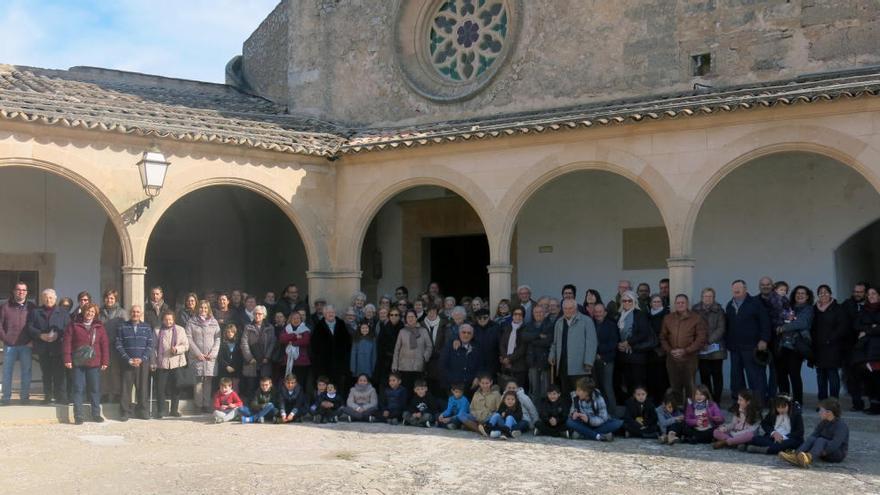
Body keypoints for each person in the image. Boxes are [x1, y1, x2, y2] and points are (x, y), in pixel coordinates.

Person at [62, 303, 109, 424]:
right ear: (83, 311)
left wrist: (105, 360)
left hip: (94, 363)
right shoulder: (73, 325)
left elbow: (104, 344)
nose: (90, 313)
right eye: (88, 311)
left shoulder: (99, 326)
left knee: (94, 389)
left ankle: (96, 414)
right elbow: (67, 343)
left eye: (92, 312)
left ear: (95, 313)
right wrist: (67, 359)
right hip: (78, 362)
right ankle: (78, 416)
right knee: (78, 389)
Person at [725, 280, 771, 403]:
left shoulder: (756, 303)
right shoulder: (729, 305)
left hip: (752, 347)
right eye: (734, 288)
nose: (736, 290)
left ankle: (758, 402)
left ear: (745, 289)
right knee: (736, 377)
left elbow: (765, 323)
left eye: (739, 287)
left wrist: (764, 339)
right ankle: (738, 402)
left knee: (755, 377)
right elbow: (728, 325)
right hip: (735, 348)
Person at [660, 294, 707, 405]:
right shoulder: (668, 318)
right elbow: (663, 337)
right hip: (672, 358)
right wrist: (670, 350)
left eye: (683, 302)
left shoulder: (696, 318)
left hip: (689, 358)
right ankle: (678, 411)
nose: (680, 304)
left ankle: (690, 411)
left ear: (687, 304)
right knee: (675, 387)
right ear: (675, 304)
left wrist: (686, 350)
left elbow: (701, 338)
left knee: (690, 387)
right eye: (678, 303)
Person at [27, 288, 70, 405]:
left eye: (51, 297)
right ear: (42, 299)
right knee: (46, 373)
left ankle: (61, 397)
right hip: (43, 347)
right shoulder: (36, 312)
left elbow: (68, 328)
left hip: (58, 347)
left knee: (60, 374)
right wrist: (40, 335)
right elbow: (30, 327)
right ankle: (47, 397)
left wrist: (58, 334)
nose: (48, 299)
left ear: (55, 298)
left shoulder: (63, 312)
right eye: (46, 297)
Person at [773, 285, 814, 406]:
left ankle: (797, 402)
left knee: (794, 374)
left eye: (803, 293)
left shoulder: (808, 309)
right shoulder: (788, 307)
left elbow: (801, 323)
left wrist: (783, 327)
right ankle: (784, 401)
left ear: (807, 297)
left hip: (796, 346)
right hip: (783, 345)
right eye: (797, 293)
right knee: (781, 375)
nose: (800, 295)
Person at [548, 299, 597, 398]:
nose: (568, 310)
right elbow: (555, 342)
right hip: (563, 365)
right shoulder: (559, 322)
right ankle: (568, 413)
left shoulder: (586, 321)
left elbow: (592, 343)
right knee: (565, 393)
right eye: (565, 308)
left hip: (580, 366)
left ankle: (580, 413)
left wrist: (589, 361)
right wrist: (552, 354)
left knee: (581, 394)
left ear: (576, 308)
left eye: (570, 308)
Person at [780, 398, 849, 468]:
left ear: (829, 412)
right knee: (812, 438)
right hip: (819, 451)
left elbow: (835, 444)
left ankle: (808, 459)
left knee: (821, 440)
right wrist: (811, 447)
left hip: (835, 454)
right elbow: (814, 434)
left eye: (821, 411)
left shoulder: (841, 426)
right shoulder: (824, 422)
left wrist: (824, 451)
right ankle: (795, 456)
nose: (819, 412)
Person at [116, 305, 154, 421]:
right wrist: (128, 359)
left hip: (143, 362)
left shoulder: (147, 327)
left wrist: (142, 358)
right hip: (127, 362)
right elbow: (118, 344)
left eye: (138, 312)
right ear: (129, 313)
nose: (135, 314)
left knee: (142, 387)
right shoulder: (123, 326)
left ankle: (142, 411)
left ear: (141, 313)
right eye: (133, 312)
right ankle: (125, 412)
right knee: (126, 388)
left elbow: (150, 345)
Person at [614, 291, 653, 400]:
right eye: (624, 300)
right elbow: (615, 333)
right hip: (624, 356)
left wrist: (628, 342)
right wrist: (619, 344)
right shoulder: (619, 315)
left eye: (629, 300)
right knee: (628, 384)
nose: (627, 302)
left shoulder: (639, 314)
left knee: (639, 384)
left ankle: (642, 409)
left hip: (637, 356)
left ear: (634, 301)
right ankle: (632, 409)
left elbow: (644, 333)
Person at [1, 281, 35, 405]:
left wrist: (32, 340)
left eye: (24, 290)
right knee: (7, 372)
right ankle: (5, 398)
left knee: (26, 372)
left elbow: (36, 325)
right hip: (10, 345)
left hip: (26, 345)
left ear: (26, 292)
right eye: (19, 289)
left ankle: (25, 397)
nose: (21, 292)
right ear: (14, 291)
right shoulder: (5, 307)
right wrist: (5, 339)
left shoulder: (31, 307)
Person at [812, 285, 848, 401]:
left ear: (830, 293)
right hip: (818, 348)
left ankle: (833, 402)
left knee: (832, 375)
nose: (823, 294)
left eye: (826, 292)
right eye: (820, 292)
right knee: (820, 376)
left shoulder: (838, 308)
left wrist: (830, 339)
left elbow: (842, 327)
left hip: (833, 347)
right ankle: (822, 402)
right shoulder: (814, 309)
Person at [151, 310, 189, 419]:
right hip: (162, 363)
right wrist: (153, 362)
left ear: (174, 320)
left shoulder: (180, 330)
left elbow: (186, 345)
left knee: (176, 387)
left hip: (176, 362)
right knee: (160, 388)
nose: (168, 322)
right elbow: (153, 348)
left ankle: (174, 410)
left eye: (170, 320)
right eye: (166, 320)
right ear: (163, 320)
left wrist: (177, 349)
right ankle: (161, 410)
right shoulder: (157, 330)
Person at [186, 300, 221, 413]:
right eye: (201, 308)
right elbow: (189, 338)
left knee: (208, 380)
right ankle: (198, 405)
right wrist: (198, 353)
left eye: (206, 308)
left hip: (210, 357)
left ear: (209, 309)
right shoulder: (191, 322)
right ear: (197, 309)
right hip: (197, 357)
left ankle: (206, 405)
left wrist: (213, 353)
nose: (203, 310)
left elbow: (218, 339)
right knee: (198, 381)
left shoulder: (214, 322)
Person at [693, 288, 726, 404]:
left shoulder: (719, 310)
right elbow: (693, 328)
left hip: (716, 348)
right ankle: (707, 400)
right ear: (702, 297)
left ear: (714, 297)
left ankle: (717, 401)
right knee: (704, 375)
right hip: (701, 349)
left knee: (717, 375)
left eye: (710, 296)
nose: (708, 298)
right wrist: (701, 342)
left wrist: (709, 341)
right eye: (706, 296)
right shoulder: (695, 310)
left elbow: (721, 328)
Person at [312, 304, 353, 399]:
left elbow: (347, 343)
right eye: (328, 312)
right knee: (325, 383)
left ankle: (338, 403)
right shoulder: (319, 326)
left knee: (339, 383)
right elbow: (314, 345)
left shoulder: (341, 324)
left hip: (340, 362)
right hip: (324, 363)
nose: (331, 314)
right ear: (324, 314)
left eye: (332, 312)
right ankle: (323, 403)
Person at [565, 377, 622, 442]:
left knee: (617, 423)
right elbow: (571, 412)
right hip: (583, 424)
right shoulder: (576, 397)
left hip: (597, 425)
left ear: (586, 392)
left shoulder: (598, 399)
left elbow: (603, 418)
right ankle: (598, 436)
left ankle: (583, 434)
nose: (577, 392)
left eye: (579, 390)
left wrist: (589, 420)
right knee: (569, 422)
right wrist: (573, 414)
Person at [852, 287, 880, 414]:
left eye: (874, 293)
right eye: (869, 294)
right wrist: (873, 326)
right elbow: (856, 325)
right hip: (866, 350)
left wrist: (867, 330)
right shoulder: (863, 309)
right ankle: (873, 404)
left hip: (878, 350)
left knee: (878, 378)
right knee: (869, 378)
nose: (871, 296)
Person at [841, 282, 868, 411]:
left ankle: (874, 402)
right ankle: (857, 403)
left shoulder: (871, 305)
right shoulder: (847, 304)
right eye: (855, 291)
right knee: (851, 376)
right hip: (849, 346)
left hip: (867, 346)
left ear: (865, 293)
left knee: (870, 374)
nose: (857, 294)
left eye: (860, 292)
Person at [240, 305, 275, 402]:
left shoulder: (270, 327)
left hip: (265, 361)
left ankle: (264, 408)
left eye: (260, 314)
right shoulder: (248, 327)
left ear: (264, 315)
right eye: (255, 313)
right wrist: (250, 358)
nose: (257, 316)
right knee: (251, 386)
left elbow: (272, 343)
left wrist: (267, 357)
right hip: (252, 362)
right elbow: (244, 343)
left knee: (265, 386)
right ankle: (250, 408)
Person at [392, 309, 432, 391]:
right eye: (408, 317)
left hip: (418, 366)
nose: (410, 319)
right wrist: (395, 364)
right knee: (406, 390)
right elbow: (397, 349)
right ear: (405, 319)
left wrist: (425, 357)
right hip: (404, 367)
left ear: (416, 318)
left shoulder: (423, 331)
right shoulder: (402, 331)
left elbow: (429, 346)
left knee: (418, 390)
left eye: (412, 317)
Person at [99, 289, 127, 402]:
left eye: (112, 298)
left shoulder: (122, 312)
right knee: (104, 369)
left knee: (115, 370)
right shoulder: (100, 312)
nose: (109, 300)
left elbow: (125, 329)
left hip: (116, 345)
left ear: (115, 299)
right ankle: (104, 393)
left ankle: (116, 393)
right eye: (107, 298)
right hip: (102, 345)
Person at [522, 304, 554, 400]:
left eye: (540, 312)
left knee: (545, 389)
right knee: (534, 389)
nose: (538, 314)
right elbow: (524, 337)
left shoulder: (550, 325)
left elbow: (548, 341)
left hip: (545, 361)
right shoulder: (528, 325)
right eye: (536, 312)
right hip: (532, 361)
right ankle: (534, 412)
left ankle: (544, 412)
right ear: (533, 313)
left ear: (545, 313)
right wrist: (539, 335)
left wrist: (532, 339)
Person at [591, 303, 619, 410]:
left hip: (607, 360)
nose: (598, 314)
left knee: (607, 387)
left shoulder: (611, 325)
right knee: (597, 387)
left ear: (605, 312)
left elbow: (613, 344)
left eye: (600, 312)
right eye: (596, 312)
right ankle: (600, 411)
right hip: (593, 361)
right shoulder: (591, 324)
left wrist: (599, 352)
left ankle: (613, 412)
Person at [441, 323, 483, 392]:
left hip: (471, 387)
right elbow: (442, 365)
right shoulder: (450, 346)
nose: (466, 335)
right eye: (463, 332)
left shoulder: (477, 347)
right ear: (459, 334)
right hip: (453, 387)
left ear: (472, 336)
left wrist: (478, 377)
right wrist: (453, 382)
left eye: (469, 333)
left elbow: (481, 365)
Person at [278, 311, 312, 395]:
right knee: (288, 383)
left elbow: (306, 340)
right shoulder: (286, 328)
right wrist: (295, 336)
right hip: (288, 361)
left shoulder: (305, 329)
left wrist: (292, 343)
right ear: (290, 319)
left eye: (298, 318)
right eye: (294, 318)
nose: (296, 320)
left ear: (301, 319)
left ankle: (300, 402)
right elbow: (282, 338)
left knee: (300, 383)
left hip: (302, 362)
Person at [645, 294, 670, 404]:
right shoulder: (646, 316)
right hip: (648, 352)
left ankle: (662, 402)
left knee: (661, 379)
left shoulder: (666, 315)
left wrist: (661, 347)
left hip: (661, 352)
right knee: (650, 378)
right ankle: (652, 402)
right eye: (654, 302)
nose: (656, 304)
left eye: (658, 301)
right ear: (650, 303)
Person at [423, 304, 449, 397]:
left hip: (439, 358)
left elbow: (447, 341)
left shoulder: (444, 323)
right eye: (429, 311)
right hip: (426, 359)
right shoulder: (422, 324)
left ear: (437, 312)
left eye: (433, 311)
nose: (431, 313)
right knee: (429, 382)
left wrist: (440, 353)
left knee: (439, 382)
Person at [498, 307, 527, 388]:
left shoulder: (526, 329)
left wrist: (509, 359)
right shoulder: (507, 328)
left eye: (520, 314)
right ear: (512, 316)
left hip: (519, 366)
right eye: (515, 314)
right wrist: (505, 358)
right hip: (505, 364)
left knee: (518, 391)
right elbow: (502, 344)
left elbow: (522, 348)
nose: (517, 316)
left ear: (523, 316)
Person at [217, 323, 243, 392]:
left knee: (235, 388)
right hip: (225, 370)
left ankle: (234, 402)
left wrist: (234, 367)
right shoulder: (222, 344)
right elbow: (220, 357)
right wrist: (227, 366)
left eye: (232, 332)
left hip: (236, 370)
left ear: (235, 332)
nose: (230, 333)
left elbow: (240, 358)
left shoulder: (238, 344)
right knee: (225, 388)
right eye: (228, 332)